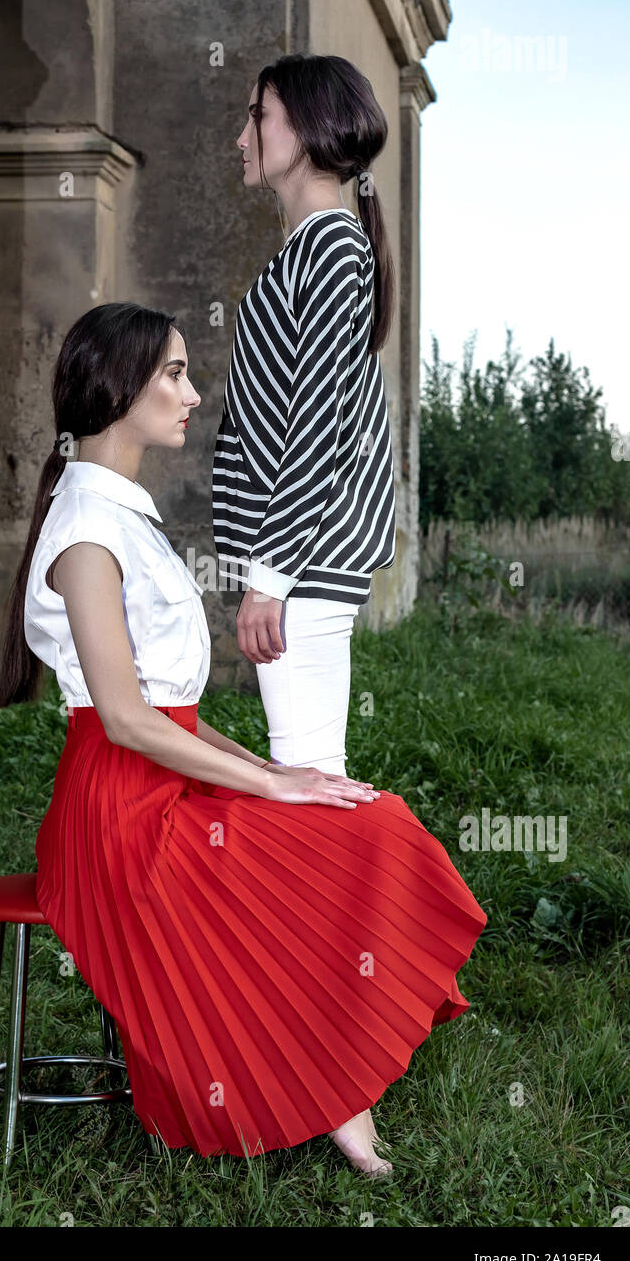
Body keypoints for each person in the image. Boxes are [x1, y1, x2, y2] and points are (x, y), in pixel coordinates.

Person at [0, 302, 487, 1176]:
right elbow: (124, 719)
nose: (191, 392)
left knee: (362, 819)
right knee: (318, 840)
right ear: (118, 385)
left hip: (159, 777)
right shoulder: (86, 531)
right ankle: (336, 1089)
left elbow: (169, 710)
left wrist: (271, 768)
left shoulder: (118, 513)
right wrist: (270, 789)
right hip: (116, 818)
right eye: (174, 374)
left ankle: (338, 1076)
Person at [212, 54, 397, 778]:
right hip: (306, 565)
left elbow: (318, 424)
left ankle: (389, 891)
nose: (241, 136)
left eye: (256, 115)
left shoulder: (328, 246)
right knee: (314, 778)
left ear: (309, 127)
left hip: (305, 564)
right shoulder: (319, 246)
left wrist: (270, 575)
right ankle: (364, 891)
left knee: (312, 780)